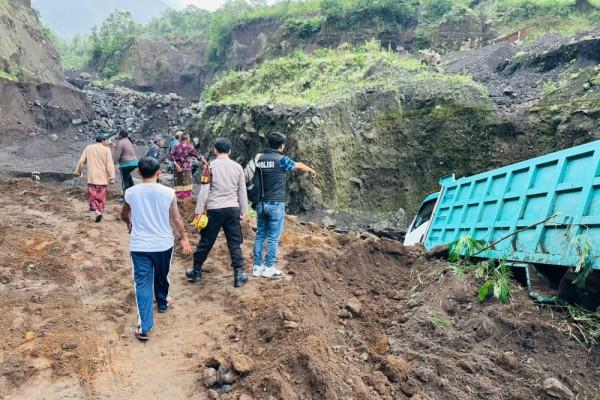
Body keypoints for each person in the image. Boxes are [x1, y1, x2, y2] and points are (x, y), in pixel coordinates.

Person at [120, 157, 192, 341]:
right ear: (159, 173)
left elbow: (124, 213)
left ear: (138, 172)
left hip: (140, 246)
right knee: (162, 275)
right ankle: (162, 302)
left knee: (142, 284)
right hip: (163, 245)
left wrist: (129, 222)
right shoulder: (168, 192)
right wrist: (184, 238)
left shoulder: (130, 192)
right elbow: (176, 218)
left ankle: (144, 327)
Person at [186, 138, 248, 288]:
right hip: (232, 209)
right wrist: (244, 210)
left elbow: (204, 191)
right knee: (234, 242)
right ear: (230, 151)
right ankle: (238, 275)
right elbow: (242, 191)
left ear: (215, 150)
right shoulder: (237, 167)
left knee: (206, 240)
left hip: (215, 209)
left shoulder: (210, 166)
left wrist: (199, 211)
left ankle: (196, 271)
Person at [252, 132, 316, 278]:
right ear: (282, 146)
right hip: (275, 204)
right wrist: (311, 170)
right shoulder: (281, 160)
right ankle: (269, 268)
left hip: (260, 203)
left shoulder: (259, 158)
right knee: (274, 236)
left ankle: (257, 267)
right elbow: (297, 166)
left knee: (260, 234)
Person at [74, 133, 116, 223]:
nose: (107, 142)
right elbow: (110, 165)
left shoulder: (89, 148)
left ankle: (97, 212)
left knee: (93, 196)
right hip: (102, 179)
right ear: (102, 141)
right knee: (101, 197)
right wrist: (112, 177)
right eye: (106, 141)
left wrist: (78, 172)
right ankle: (99, 211)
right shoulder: (106, 150)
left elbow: (81, 161)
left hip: (92, 179)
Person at [170, 133, 206, 200]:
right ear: (187, 139)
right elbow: (197, 155)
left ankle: (178, 200)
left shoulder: (175, 146)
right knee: (187, 185)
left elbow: (171, 157)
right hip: (186, 169)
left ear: (180, 138)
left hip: (177, 169)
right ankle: (186, 201)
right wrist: (204, 161)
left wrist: (177, 165)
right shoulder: (189, 147)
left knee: (178, 184)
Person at [112, 129, 138, 200]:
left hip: (126, 164)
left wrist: (112, 163)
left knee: (124, 180)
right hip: (134, 162)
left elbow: (117, 155)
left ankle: (125, 197)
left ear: (120, 135)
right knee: (128, 177)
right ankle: (133, 195)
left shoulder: (120, 142)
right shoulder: (128, 141)